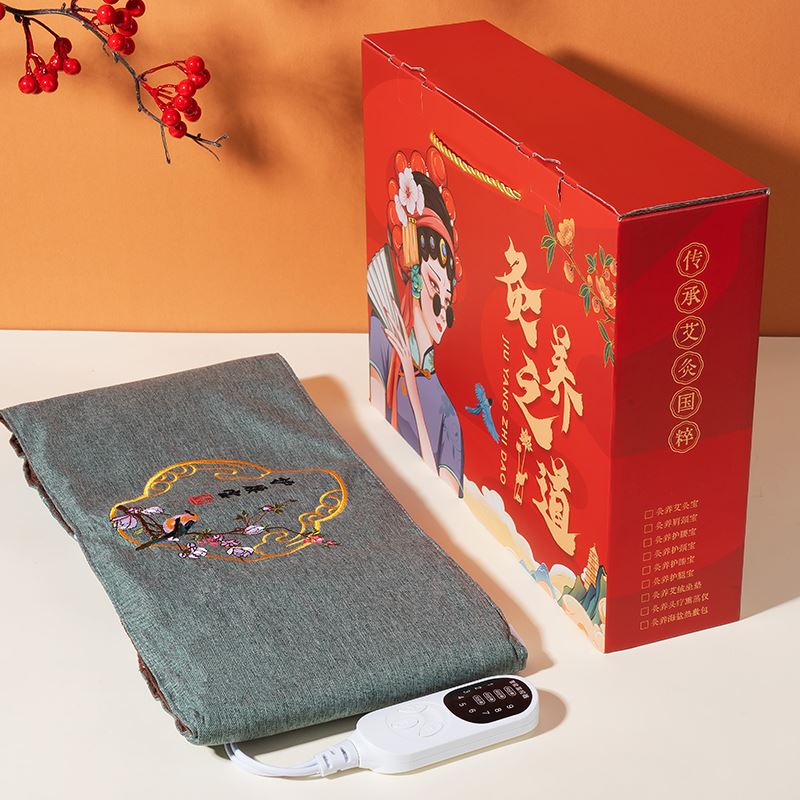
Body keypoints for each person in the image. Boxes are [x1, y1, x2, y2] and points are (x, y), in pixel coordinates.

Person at [369, 153, 464, 495]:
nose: (441, 312)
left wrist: (410, 376)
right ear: (417, 280)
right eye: (436, 288)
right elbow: (374, 426)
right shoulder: (382, 337)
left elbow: (444, 496)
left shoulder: (449, 418)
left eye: (447, 302)